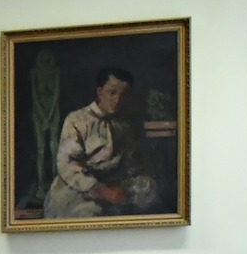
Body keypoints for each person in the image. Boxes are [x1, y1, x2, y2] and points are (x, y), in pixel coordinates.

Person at [42, 65, 161, 219]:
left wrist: (129, 182)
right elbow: (68, 164)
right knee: (90, 213)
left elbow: (132, 162)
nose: (117, 100)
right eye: (112, 93)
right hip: (82, 186)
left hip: (114, 182)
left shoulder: (124, 124)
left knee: (149, 189)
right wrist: (102, 190)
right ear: (99, 92)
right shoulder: (77, 119)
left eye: (123, 95)